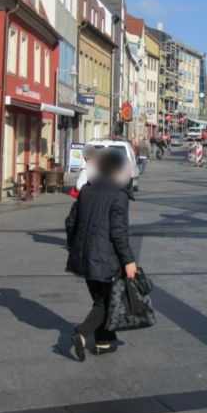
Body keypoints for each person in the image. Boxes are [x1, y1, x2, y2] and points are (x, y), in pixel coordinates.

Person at [65, 149, 137, 361]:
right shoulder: (118, 194)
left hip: (83, 256)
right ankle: (82, 333)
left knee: (100, 299)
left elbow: (70, 222)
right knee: (106, 303)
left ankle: (104, 341)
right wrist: (129, 261)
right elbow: (118, 232)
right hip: (105, 259)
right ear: (118, 169)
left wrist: (74, 246)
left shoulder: (87, 190)